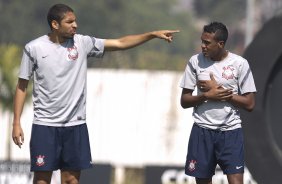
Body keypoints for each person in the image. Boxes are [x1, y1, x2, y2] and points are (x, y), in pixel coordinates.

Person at [11, 3, 179, 184]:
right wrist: (16, 123)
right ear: (55, 24)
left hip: (75, 125)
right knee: (42, 180)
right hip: (45, 125)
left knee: (71, 180)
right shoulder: (34, 48)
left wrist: (151, 35)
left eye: (75, 21)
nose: (75, 25)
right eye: (69, 22)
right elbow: (22, 86)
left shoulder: (82, 43)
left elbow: (120, 43)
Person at [180, 22, 256, 184]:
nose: (202, 46)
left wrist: (222, 94)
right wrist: (207, 95)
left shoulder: (240, 64)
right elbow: (184, 101)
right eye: (202, 41)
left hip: (231, 133)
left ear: (220, 44)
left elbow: (249, 104)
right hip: (202, 131)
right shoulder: (195, 62)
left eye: (207, 43)